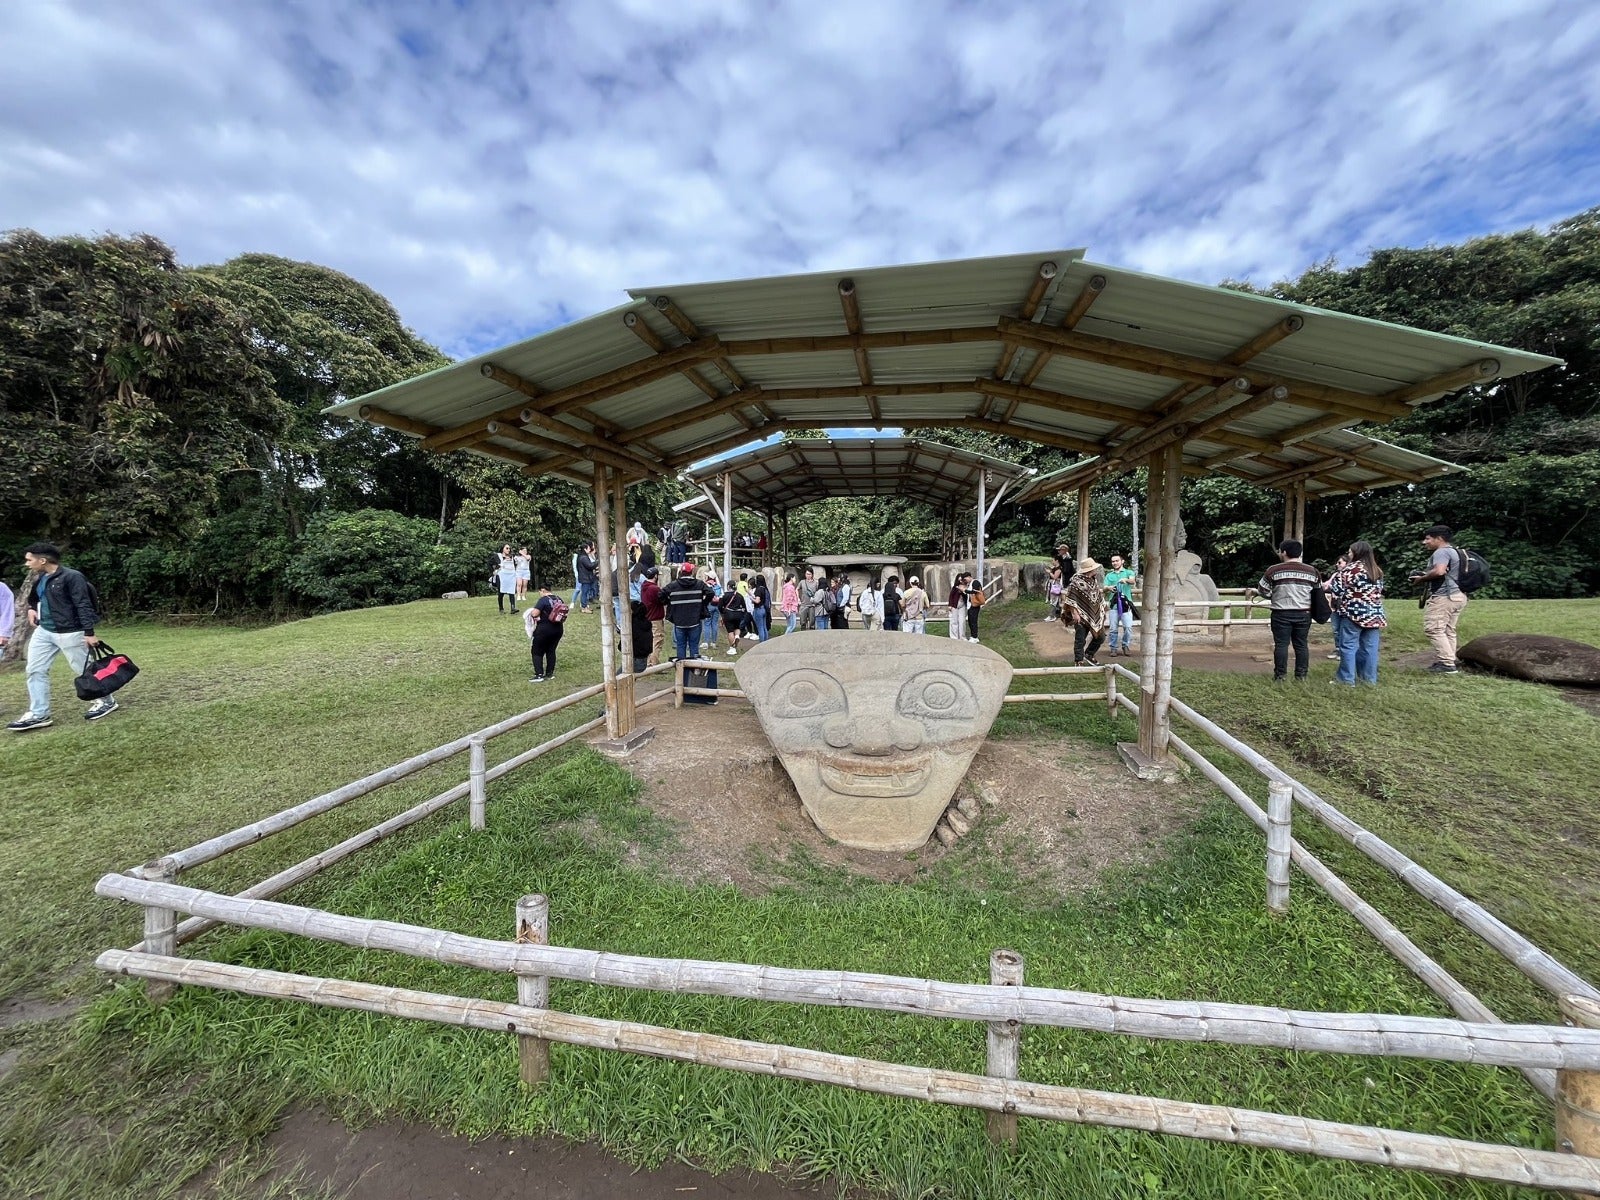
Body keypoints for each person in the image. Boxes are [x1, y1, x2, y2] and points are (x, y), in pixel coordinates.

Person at [8, 542, 116, 730]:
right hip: (44, 632)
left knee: (84, 670)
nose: (26, 563)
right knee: (34, 670)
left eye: (29, 559)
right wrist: (32, 609)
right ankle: (39, 714)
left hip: (70, 633)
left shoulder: (72, 577)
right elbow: (36, 596)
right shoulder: (41, 577)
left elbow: (83, 604)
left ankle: (106, 701)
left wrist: (89, 633)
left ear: (42, 560)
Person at [1257, 538, 1319, 682]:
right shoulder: (1312, 571)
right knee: (1302, 644)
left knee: (1281, 645)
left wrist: (1273, 596)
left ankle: (1280, 676)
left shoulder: (1274, 570)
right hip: (1304, 613)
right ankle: (1301, 676)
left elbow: (1262, 590)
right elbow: (1317, 591)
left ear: (1284, 552)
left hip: (1281, 613)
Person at [1410, 525, 1468, 674]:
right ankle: (1449, 659)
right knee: (1448, 630)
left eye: (1428, 538)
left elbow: (1440, 571)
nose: (1425, 542)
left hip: (1445, 597)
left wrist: (1421, 578)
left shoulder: (1441, 552)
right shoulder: (1455, 551)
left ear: (1439, 539)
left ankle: (1447, 664)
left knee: (1434, 629)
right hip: (1459, 595)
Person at [1328, 541, 1386, 685]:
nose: (1348, 554)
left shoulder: (1349, 570)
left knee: (1348, 646)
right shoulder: (1376, 570)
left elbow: (1337, 591)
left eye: (1350, 552)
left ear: (1357, 553)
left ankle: (1346, 680)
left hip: (1353, 613)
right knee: (1370, 648)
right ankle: (1369, 679)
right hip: (1374, 614)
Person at [1061, 558, 1108, 666]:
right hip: (1080, 615)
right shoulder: (1076, 582)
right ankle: (1078, 660)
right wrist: (1075, 613)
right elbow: (1071, 599)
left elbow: (1096, 597)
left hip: (1093, 614)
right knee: (1080, 639)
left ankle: (1089, 654)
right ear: (1089, 570)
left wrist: (1100, 610)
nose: (1096, 569)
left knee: (1100, 637)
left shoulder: (1093, 580)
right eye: (1094, 568)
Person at [664, 564, 713, 662]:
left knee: (680, 645)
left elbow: (661, 594)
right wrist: (703, 603)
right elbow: (710, 593)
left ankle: (681, 671)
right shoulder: (699, 584)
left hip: (679, 622)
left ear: (681, 572)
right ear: (692, 572)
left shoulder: (673, 585)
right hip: (695, 621)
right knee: (694, 645)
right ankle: (693, 670)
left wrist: (670, 603)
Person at [525, 584, 564, 682]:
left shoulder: (543, 600)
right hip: (558, 629)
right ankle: (549, 674)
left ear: (543, 590)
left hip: (544, 630)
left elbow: (534, 613)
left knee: (537, 651)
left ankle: (539, 675)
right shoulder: (559, 599)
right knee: (551, 651)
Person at [1103, 554, 1137, 656]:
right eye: (1113, 561)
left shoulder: (1128, 572)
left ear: (1122, 561)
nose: (1114, 563)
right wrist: (1109, 588)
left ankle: (1125, 645)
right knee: (1113, 628)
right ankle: (1113, 648)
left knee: (1128, 627)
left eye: (1117, 561)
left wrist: (1125, 580)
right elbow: (1104, 588)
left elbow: (1132, 581)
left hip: (1126, 605)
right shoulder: (1109, 575)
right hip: (1114, 605)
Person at [639, 566, 665, 667]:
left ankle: (650, 661)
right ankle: (653, 662)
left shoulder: (644, 586)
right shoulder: (654, 589)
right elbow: (662, 600)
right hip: (655, 618)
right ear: (655, 576)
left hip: (647, 617)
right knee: (658, 639)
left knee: (650, 640)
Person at [719, 583, 749, 655]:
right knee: (737, 628)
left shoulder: (724, 595)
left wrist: (723, 613)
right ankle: (737, 636)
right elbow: (744, 607)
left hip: (728, 614)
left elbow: (720, 606)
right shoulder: (740, 595)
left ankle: (733, 648)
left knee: (730, 631)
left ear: (728, 587)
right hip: (738, 615)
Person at [628, 597, 653, 675]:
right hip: (644, 657)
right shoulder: (647, 623)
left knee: (618, 678)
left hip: (635, 657)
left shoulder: (633, 624)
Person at [700, 569, 722, 652]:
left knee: (707, 623)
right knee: (714, 624)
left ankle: (706, 642)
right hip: (717, 606)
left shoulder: (707, 585)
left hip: (709, 605)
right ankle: (714, 642)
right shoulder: (718, 586)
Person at [575, 544, 598, 612]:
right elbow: (590, 565)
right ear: (585, 549)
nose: (590, 549)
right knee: (584, 592)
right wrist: (597, 562)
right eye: (588, 548)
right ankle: (584, 607)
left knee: (585, 592)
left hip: (585, 577)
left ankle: (585, 606)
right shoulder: (583, 557)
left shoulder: (581, 556)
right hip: (585, 577)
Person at [750, 572, 772, 642]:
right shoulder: (765, 589)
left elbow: (757, 601)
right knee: (764, 627)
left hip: (758, 609)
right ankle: (766, 642)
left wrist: (751, 599)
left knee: (760, 628)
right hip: (764, 609)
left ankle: (761, 643)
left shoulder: (758, 589)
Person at [965, 575, 987, 643]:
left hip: (975, 605)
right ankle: (972, 635)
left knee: (974, 621)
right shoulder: (969, 584)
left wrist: (966, 591)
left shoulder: (975, 582)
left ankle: (975, 636)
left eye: (966, 579)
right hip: (970, 605)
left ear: (969, 577)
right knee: (970, 620)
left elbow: (976, 591)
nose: (966, 581)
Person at [947, 575, 969, 641]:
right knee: (954, 621)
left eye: (961, 580)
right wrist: (950, 605)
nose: (960, 581)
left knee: (962, 621)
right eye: (958, 580)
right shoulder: (955, 587)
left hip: (962, 605)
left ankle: (962, 636)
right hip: (954, 605)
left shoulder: (966, 587)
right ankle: (954, 636)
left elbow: (967, 596)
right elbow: (951, 596)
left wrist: (963, 591)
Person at [797, 567, 819, 632]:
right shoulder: (802, 582)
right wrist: (798, 598)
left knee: (812, 622)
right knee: (803, 622)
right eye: (806, 574)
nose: (808, 576)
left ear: (812, 574)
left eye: (809, 574)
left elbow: (818, 592)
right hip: (803, 604)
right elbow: (797, 589)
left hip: (812, 605)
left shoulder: (816, 583)